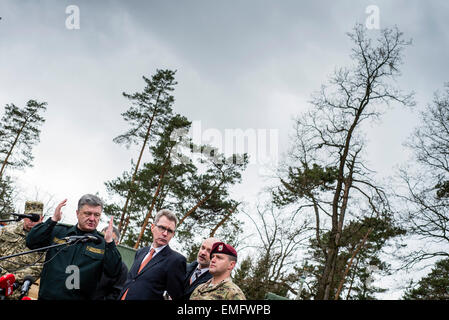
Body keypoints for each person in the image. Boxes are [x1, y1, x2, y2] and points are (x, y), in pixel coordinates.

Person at [26, 194, 122, 300]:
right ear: (77, 213)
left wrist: (110, 243)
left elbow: (114, 272)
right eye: (87, 213)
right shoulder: (59, 232)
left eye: (97, 215)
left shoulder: (102, 243)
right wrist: (53, 220)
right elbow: (32, 242)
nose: (92, 218)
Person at [119, 209, 186, 300]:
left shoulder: (176, 260)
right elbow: (132, 281)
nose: (165, 233)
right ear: (152, 227)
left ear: (173, 234)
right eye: (162, 228)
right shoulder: (141, 252)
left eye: (169, 231)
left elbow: (175, 295)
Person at [0, 201, 44, 300]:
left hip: (17, 290)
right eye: (28, 216)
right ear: (23, 216)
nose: (31, 221)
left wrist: (10, 278)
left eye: (35, 218)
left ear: (42, 218)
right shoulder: (7, 230)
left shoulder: (44, 240)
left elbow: (39, 267)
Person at [93, 225, 128, 300]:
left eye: (110, 239)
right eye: (103, 238)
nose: (106, 241)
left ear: (117, 243)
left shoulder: (121, 267)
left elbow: (116, 293)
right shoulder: (90, 257)